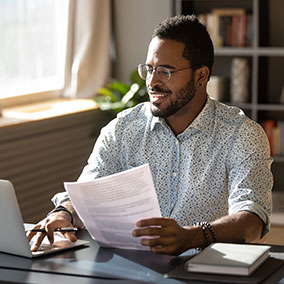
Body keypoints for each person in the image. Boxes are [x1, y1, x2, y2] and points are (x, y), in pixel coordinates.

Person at [28, 15, 273, 255]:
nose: (152, 82)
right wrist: (63, 213)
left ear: (201, 76)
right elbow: (87, 195)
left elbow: (252, 219)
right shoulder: (123, 128)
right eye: (150, 69)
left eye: (165, 71)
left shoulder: (242, 134)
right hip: (132, 265)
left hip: (206, 269)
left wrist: (192, 237)